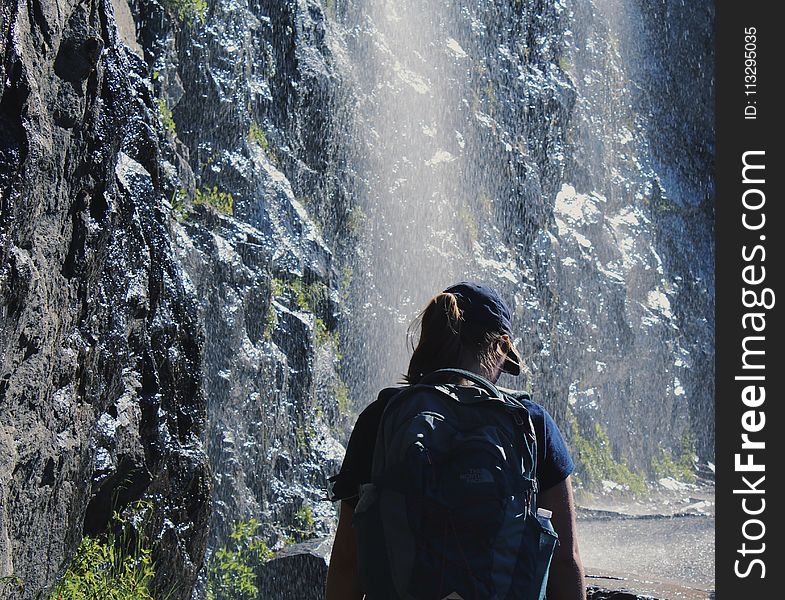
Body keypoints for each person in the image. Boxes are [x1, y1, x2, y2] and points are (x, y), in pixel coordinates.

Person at [326, 282, 586, 600]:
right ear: (501, 347)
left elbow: (347, 562)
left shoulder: (382, 418)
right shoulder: (531, 421)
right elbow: (564, 558)